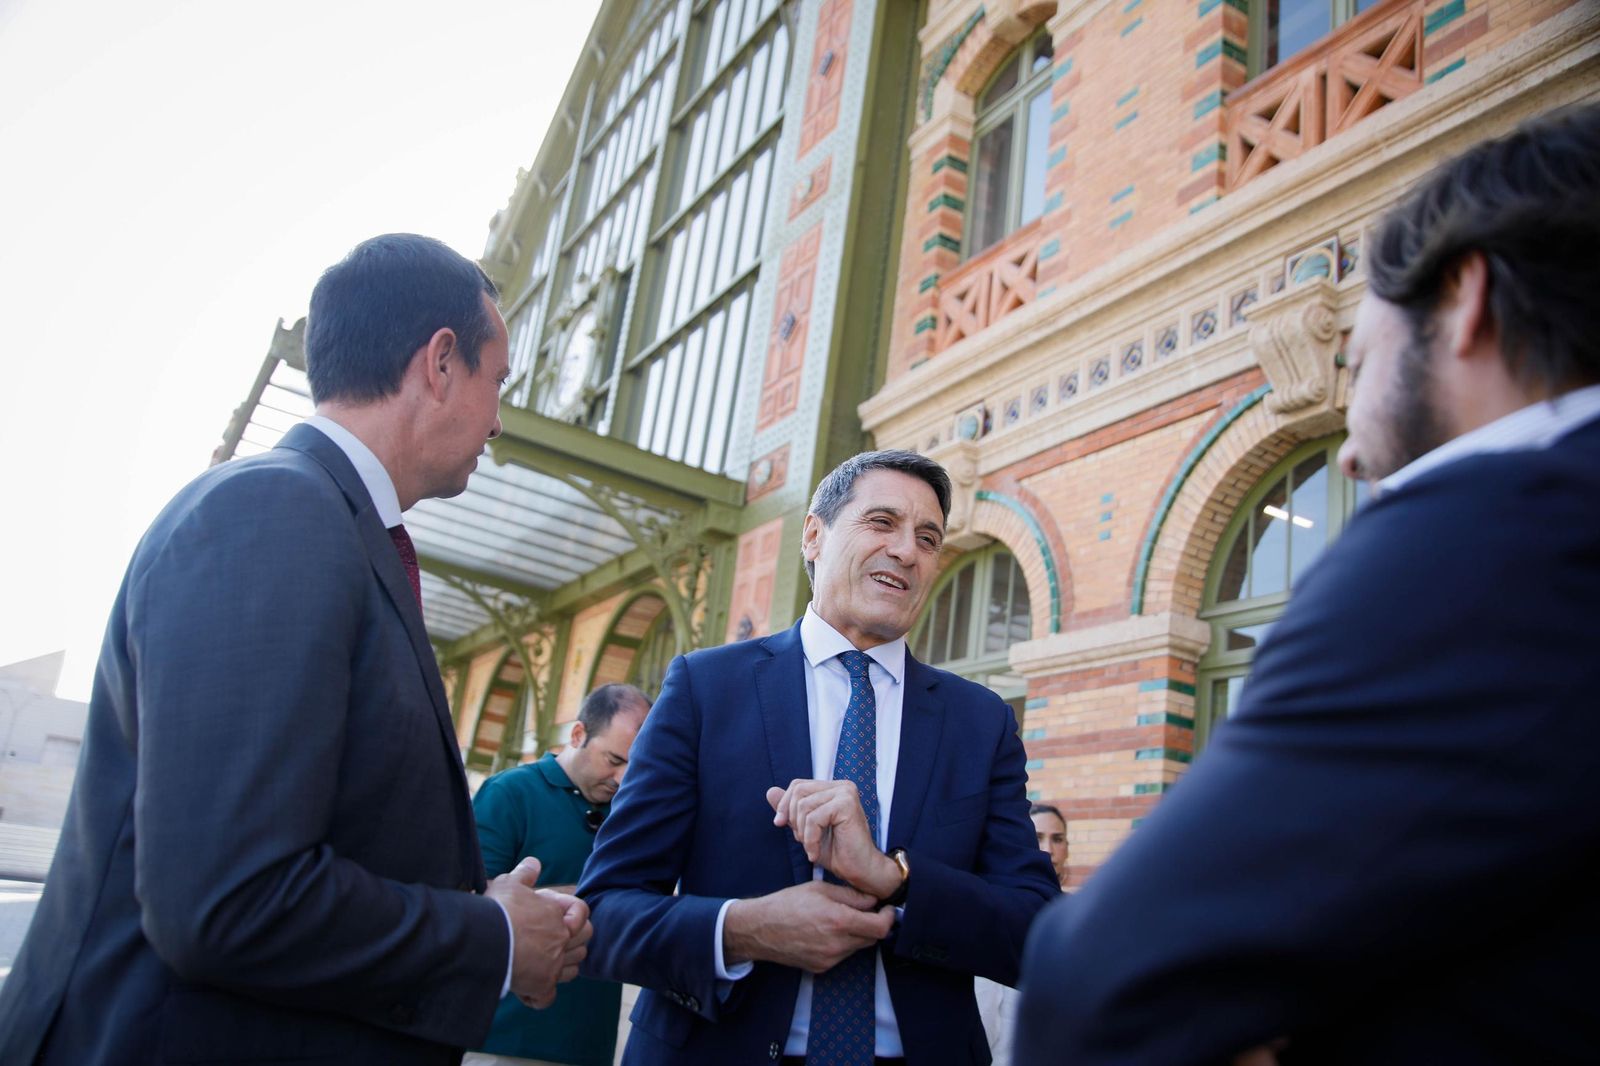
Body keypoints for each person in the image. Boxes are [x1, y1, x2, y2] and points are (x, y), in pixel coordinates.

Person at [1015, 103, 1600, 1064]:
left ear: (1470, 303)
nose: (1357, 461)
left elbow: (1098, 993)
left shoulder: (1481, 533)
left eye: (1360, 361)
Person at [0, 234, 592, 1066]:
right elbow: (230, 899)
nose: (498, 420)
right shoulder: (274, 514)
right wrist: (490, 934)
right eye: (499, 382)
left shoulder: (326, 526)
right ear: (441, 361)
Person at [578, 449, 1061, 1066]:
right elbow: (604, 912)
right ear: (814, 533)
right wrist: (746, 929)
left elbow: (1039, 934)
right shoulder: (705, 689)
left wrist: (896, 879)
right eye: (882, 522)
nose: (907, 551)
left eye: (928, 537)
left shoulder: (980, 721)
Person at [467, 683, 651, 1066]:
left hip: (590, 1047)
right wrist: (597, 898)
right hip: (503, 1042)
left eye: (637, 766)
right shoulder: (508, 792)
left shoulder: (628, 814)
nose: (622, 778)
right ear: (578, 734)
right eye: (614, 759)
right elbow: (466, 904)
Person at [977, 803, 1072, 1065]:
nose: (1049, 850)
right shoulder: (1002, 917)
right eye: (1038, 838)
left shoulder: (1082, 918)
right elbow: (984, 1019)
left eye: (1058, 839)